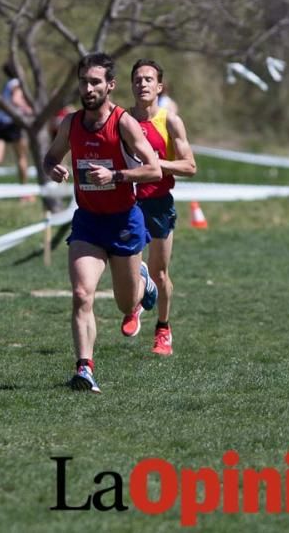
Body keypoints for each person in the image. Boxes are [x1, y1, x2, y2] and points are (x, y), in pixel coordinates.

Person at [43, 52, 162, 393]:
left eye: (96, 82)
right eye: (84, 81)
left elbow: (153, 169)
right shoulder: (71, 123)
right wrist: (52, 166)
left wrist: (116, 175)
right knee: (82, 294)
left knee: (127, 304)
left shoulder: (123, 123)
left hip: (124, 221)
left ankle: (143, 283)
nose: (89, 87)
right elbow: (51, 155)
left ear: (110, 86)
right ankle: (85, 368)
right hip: (88, 222)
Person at [129, 60, 196, 356]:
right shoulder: (122, 120)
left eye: (148, 79)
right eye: (138, 79)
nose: (142, 84)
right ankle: (132, 306)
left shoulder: (170, 121)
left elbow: (190, 166)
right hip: (128, 202)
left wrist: (157, 166)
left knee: (159, 273)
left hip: (159, 203)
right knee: (127, 266)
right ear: (130, 86)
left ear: (159, 87)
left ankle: (163, 328)